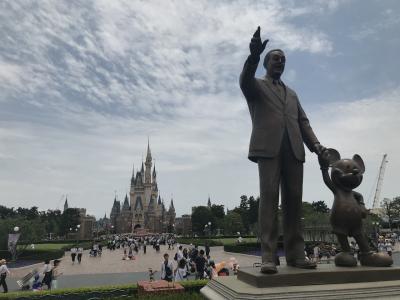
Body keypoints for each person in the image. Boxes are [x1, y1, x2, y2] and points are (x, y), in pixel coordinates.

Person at [239, 26, 325, 274]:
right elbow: (244, 79)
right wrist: (253, 55)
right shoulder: (255, 86)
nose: (280, 62)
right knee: (268, 200)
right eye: (276, 58)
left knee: (294, 203)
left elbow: (303, 122)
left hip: (295, 150)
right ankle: (268, 257)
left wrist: (316, 146)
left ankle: (297, 255)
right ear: (266, 63)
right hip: (268, 149)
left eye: (284, 60)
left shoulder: (293, 94)